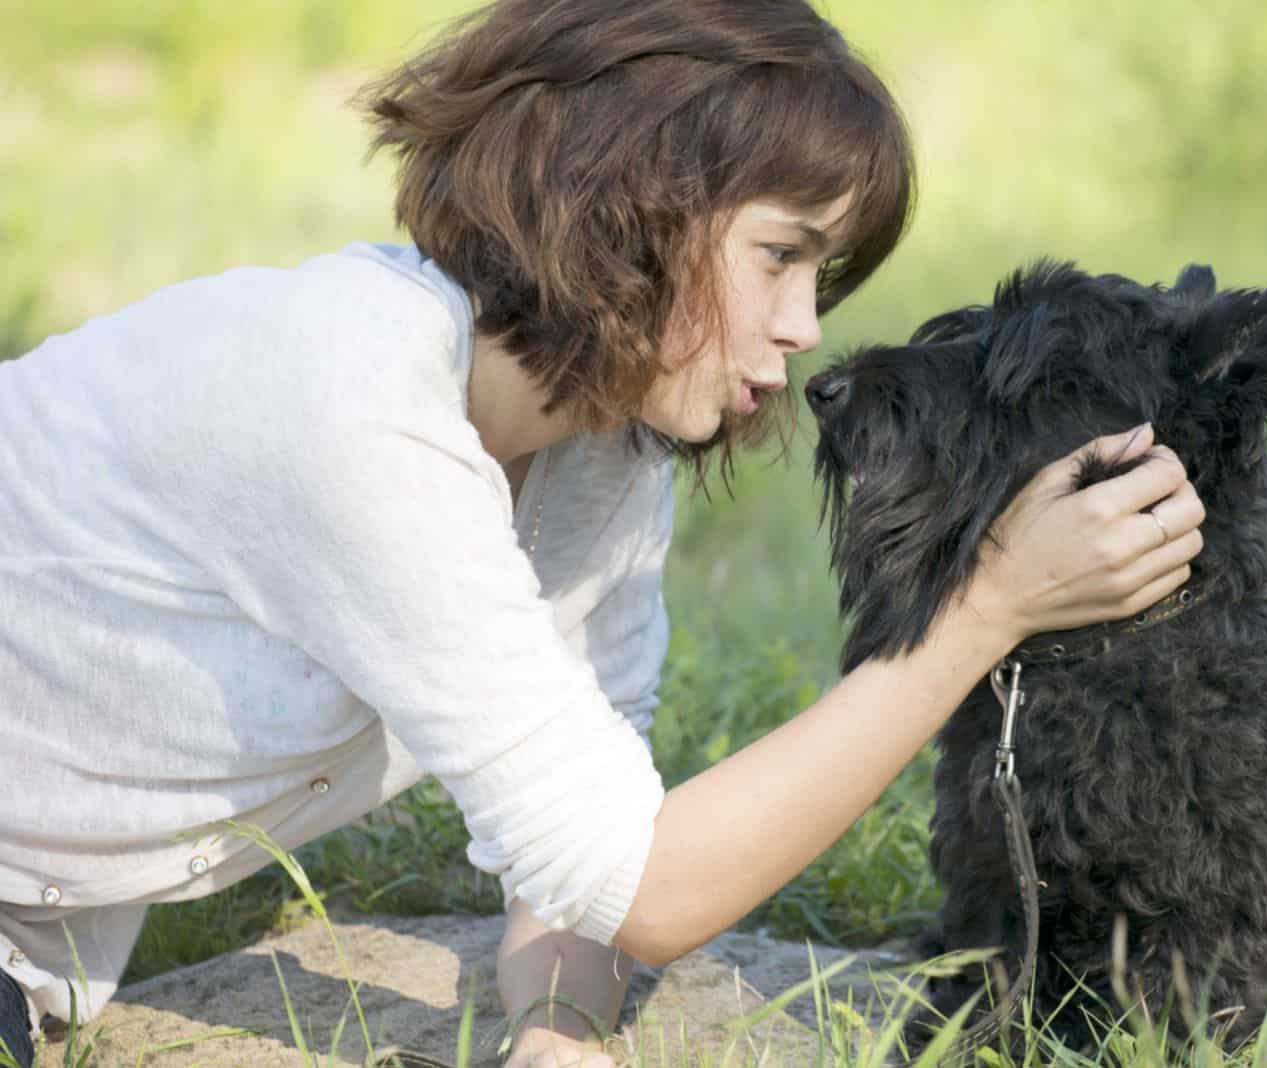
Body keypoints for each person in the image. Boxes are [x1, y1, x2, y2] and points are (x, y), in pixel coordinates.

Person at [0, 2, 1205, 1066]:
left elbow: (579, 845)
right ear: (628, 207)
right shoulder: (347, 396)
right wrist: (982, 611)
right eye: (778, 256)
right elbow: (654, 888)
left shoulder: (601, 444)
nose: (802, 330)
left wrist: (558, 1028)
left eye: (821, 275)